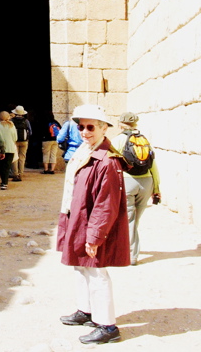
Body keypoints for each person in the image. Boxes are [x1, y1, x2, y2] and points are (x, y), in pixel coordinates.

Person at [57, 104, 130, 345]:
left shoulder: (107, 161)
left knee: (97, 271)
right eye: (81, 127)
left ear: (103, 129)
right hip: (77, 217)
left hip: (91, 223)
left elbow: (105, 203)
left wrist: (95, 235)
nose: (85, 132)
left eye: (90, 127)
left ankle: (107, 325)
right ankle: (86, 310)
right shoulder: (85, 151)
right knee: (80, 266)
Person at [111, 112, 161, 266]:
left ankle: (131, 256)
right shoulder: (144, 141)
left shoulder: (118, 140)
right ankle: (129, 246)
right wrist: (156, 188)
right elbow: (153, 165)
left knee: (129, 220)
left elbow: (111, 164)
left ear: (120, 124)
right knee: (134, 220)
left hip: (128, 182)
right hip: (146, 182)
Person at [0, 111, 18, 190]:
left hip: (1, 149)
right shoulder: (12, 125)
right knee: (7, 166)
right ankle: (5, 182)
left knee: (1, 166)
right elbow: (15, 138)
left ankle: (3, 181)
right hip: (11, 148)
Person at [11, 105, 32, 181]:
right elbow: (30, 132)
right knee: (22, 157)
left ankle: (15, 174)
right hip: (24, 141)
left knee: (15, 158)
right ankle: (21, 173)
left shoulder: (12, 121)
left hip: (14, 141)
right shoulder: (26, 121)